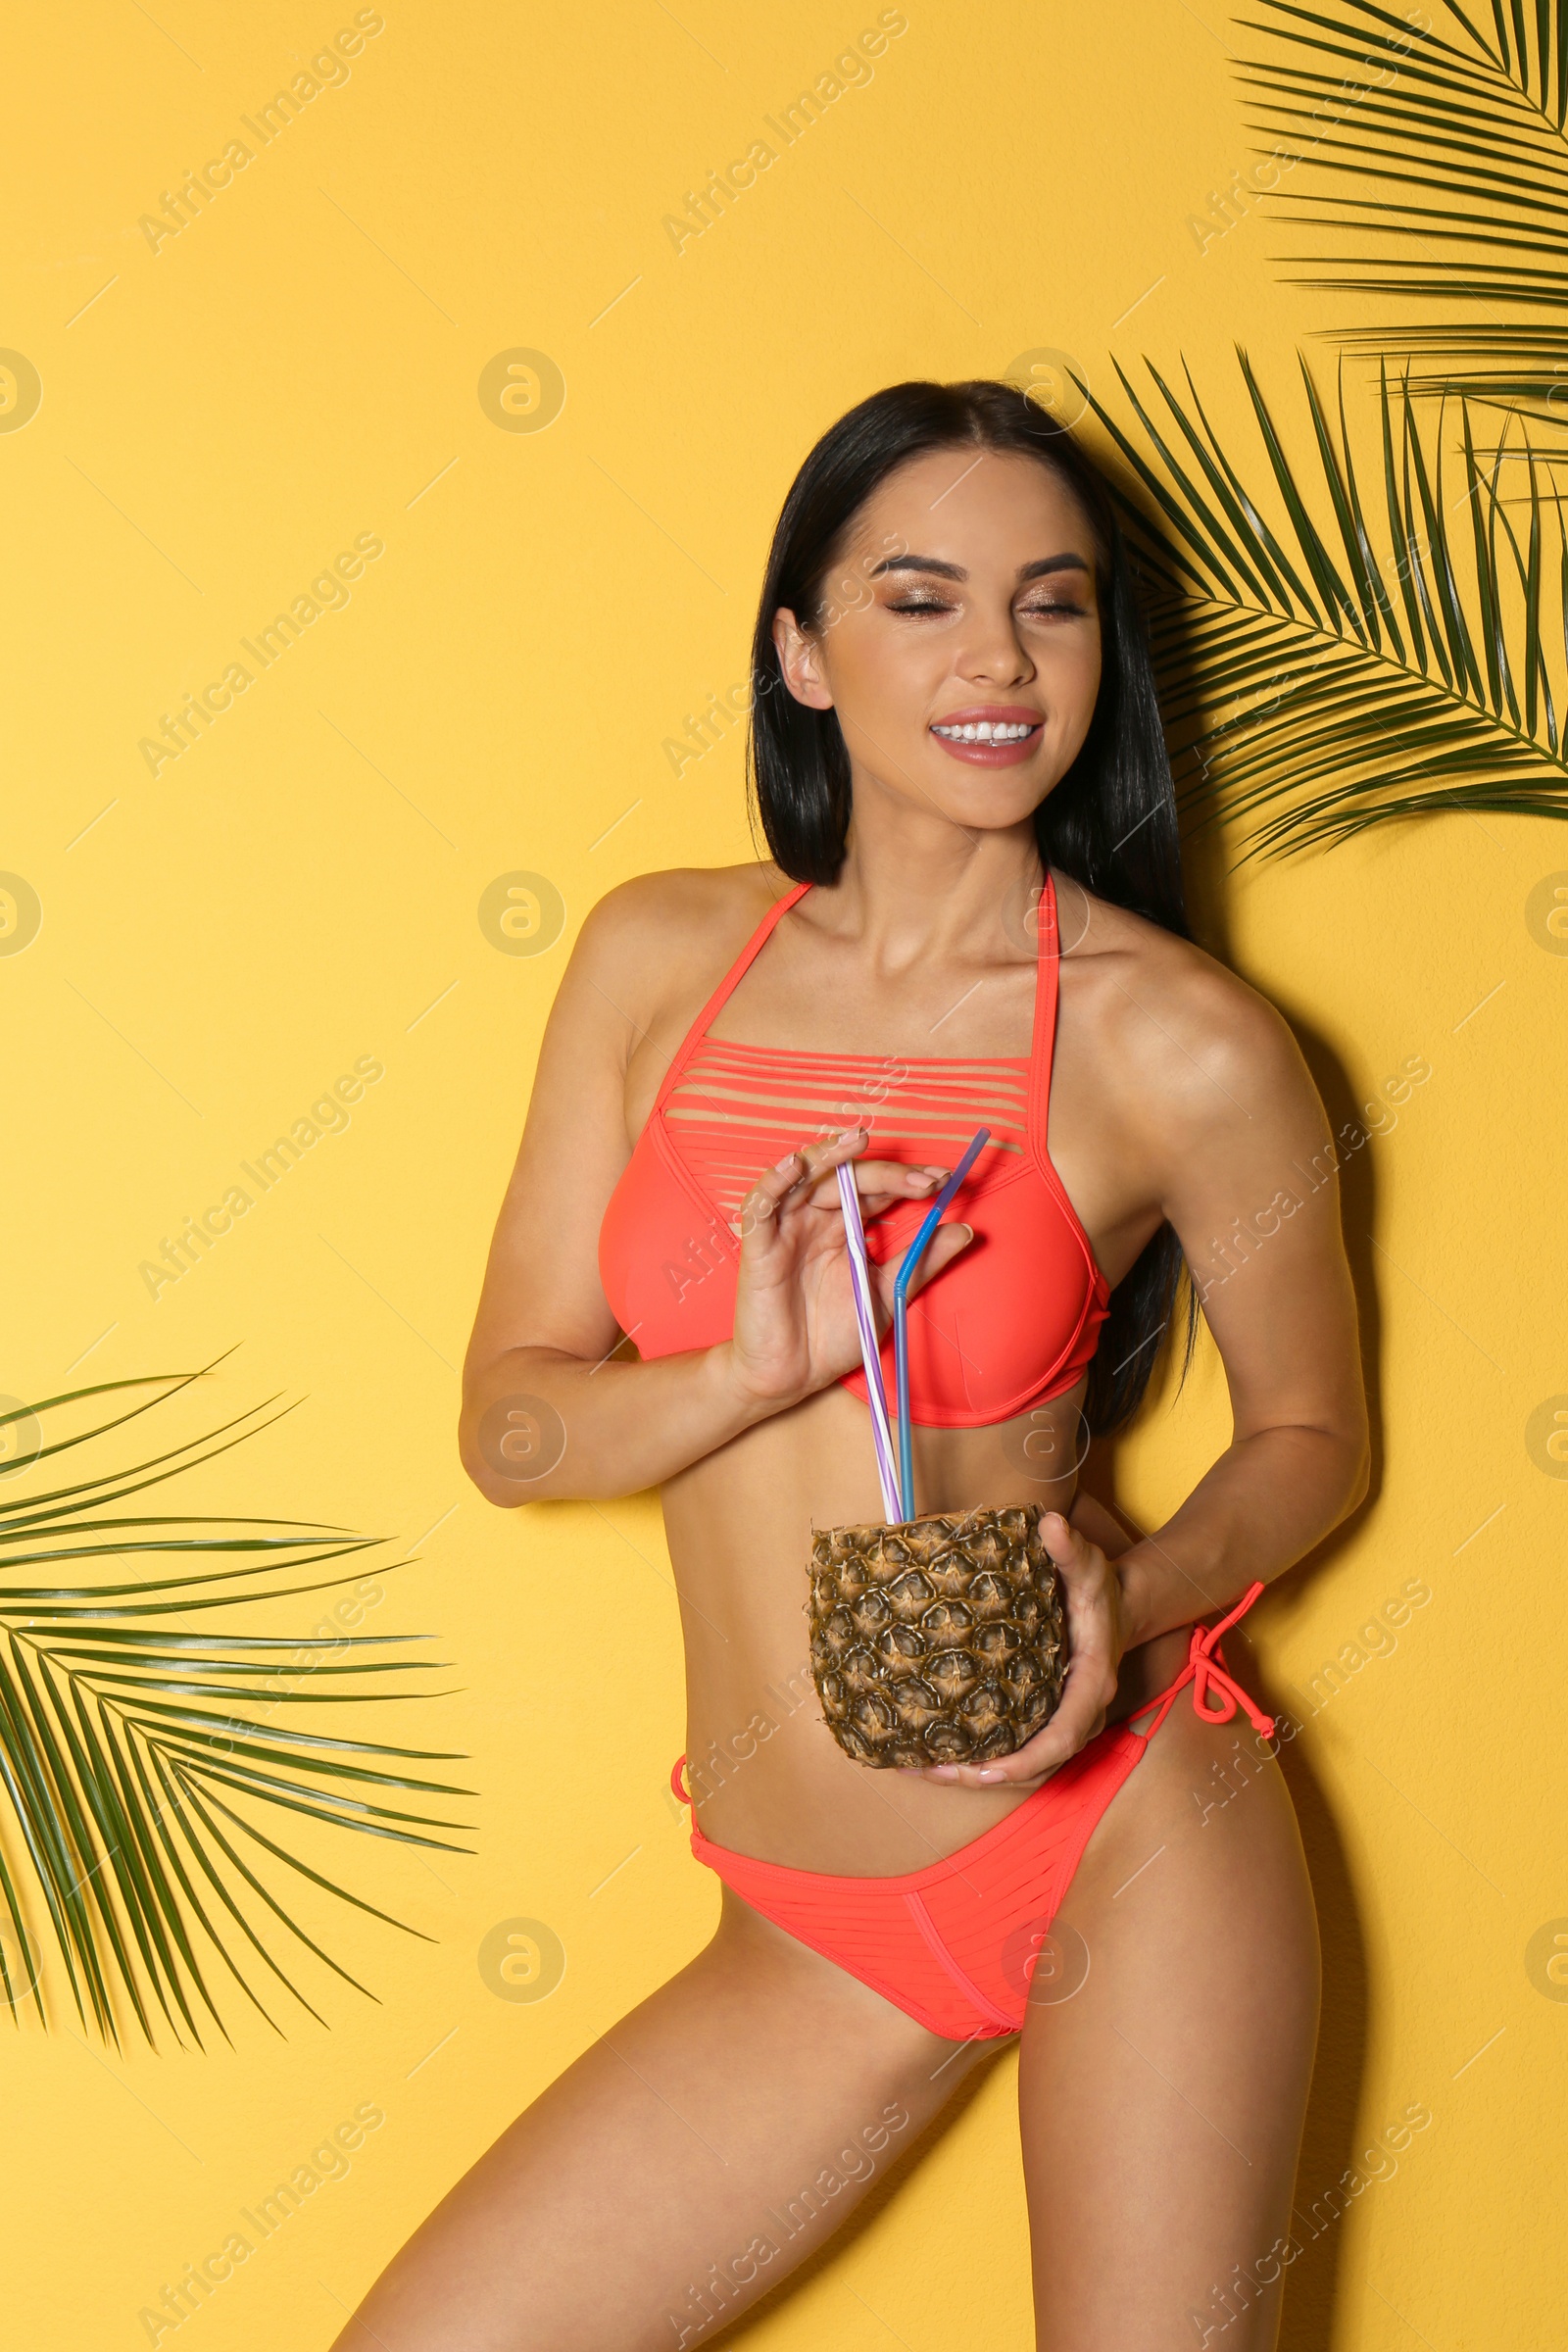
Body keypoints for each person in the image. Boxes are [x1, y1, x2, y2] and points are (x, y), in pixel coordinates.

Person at [331, 378, 1368, 2350]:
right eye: (918, 599)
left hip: (1116, 1840)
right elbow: (511, 1425)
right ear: (800, 651)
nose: (993, 658)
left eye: (1049, 605)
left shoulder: (1181, 1043)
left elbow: (1311, 1437)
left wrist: (1125, 1594)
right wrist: (743, 1365)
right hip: (809, 1927)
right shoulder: (655, 962)